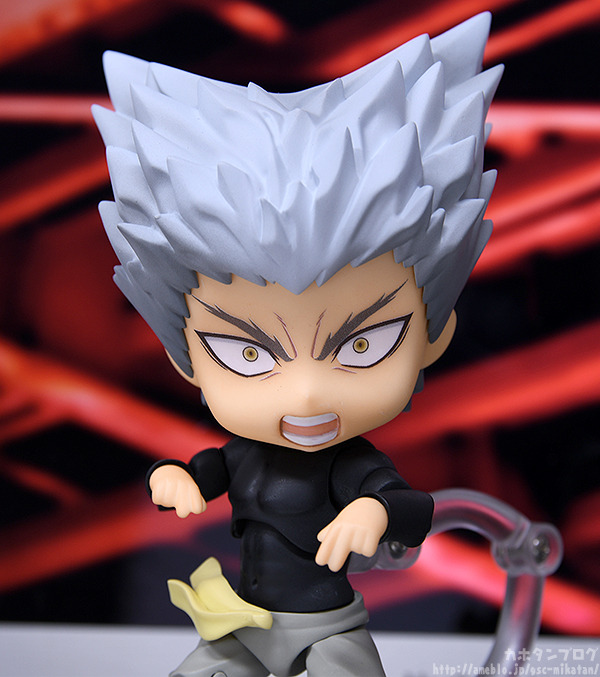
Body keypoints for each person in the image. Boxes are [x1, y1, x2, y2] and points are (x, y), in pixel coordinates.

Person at [94, 12, 502, 676]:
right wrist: (170, 476)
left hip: (328, 629)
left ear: (435, 335)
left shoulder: (352, 465)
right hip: (242, 623)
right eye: (248, 354)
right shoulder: (244, 455)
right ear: (182, 357)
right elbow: (205, 468)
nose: (308, 392)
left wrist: (374, 510)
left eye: (363, 346)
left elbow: (409, 504)